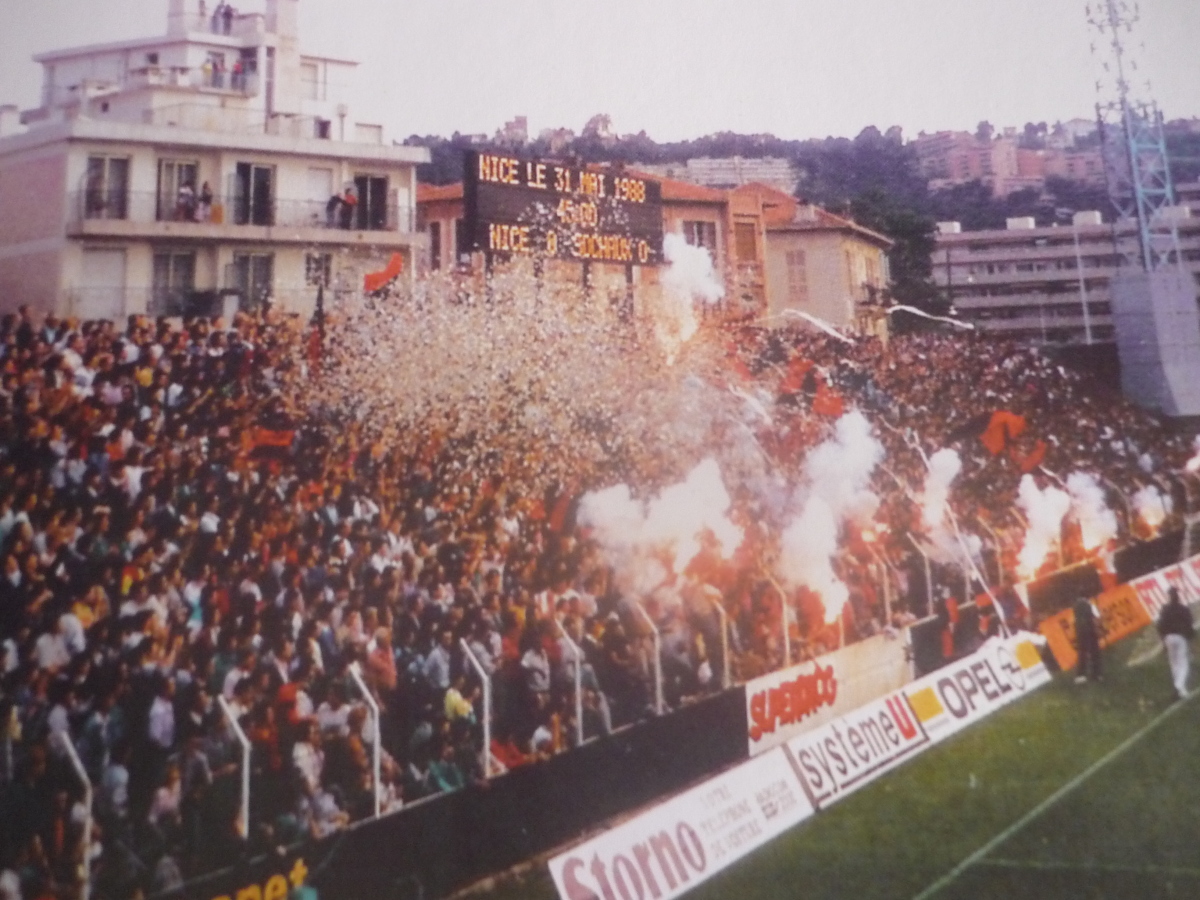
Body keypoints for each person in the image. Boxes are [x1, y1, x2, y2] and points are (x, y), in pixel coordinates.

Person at [1156, 587, 1194, 700]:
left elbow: (1160, 626)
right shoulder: (1183, 609)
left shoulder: (1165, 609)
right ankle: (1178, 687)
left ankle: (1181, 690)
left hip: (1168, 638)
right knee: (1183, 664)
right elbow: (1189, 624)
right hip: (1180, 637)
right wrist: (1190, 635)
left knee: (1174, 664)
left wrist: (1163, 640)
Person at [1073, 593, 1102, 683]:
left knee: (1082, 653)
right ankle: (1096, 674)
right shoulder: (1089, 604)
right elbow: (1097, 616)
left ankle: (1081, 675)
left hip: (1080, 632)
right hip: (1090, 630)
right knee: (1094, 652)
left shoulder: (1075, 606)